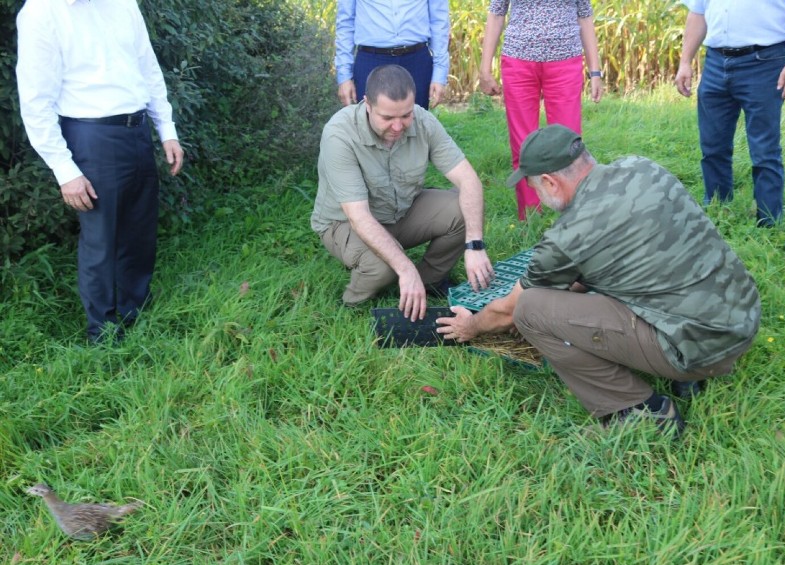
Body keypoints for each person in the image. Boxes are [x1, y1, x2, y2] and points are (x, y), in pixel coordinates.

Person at [437, 125, 761, 436]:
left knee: (530, 309)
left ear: (550, 182)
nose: (536, 194)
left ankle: (639, 412)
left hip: (699, 349)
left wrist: (472, 326)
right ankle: (689, 376)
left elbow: (510, 310)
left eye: (533, 186)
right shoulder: (642, 167)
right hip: (742, 318)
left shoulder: (570, 234)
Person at [16, 0, 185, 343]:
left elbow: (147, 67)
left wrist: (166, 129)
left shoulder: (123, 2)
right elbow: (35, 101)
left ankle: (134, 313)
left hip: (137, 130)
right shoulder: (41, 12)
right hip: (90, 137)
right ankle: (104, 334)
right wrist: (65, 170)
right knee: (102, 240)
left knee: (139, 232)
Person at [311, 65, 494, 321]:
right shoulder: (339, 135)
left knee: (463, 210)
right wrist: (404, 267)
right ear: (367, 104)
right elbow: (359, 217)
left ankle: (428, 283)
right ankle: (353, 307)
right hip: (344, 223)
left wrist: (475, 245)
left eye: (405, 115)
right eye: (387, 118)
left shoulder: (423, 120)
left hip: (401, 212)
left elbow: (469, 181)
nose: (398, 126)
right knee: (384, 268)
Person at [675, 0, 785, 227]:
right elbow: (697, 13)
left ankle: (769, 222)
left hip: (765, 61)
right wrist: (685, 62)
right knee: (712, 146)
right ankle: (717, 212)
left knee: (764, 149)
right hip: (715, 61)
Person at [479, 0, 602, 221]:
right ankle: (530, 218)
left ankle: (573, 217)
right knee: (523, 144)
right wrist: (484, 68)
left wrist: (595, 72)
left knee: (569, 146)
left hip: (565, 63)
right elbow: (497, 12)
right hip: (519, 62)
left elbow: (584, 14)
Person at [335, 0, 449, 110]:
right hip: (370, 60)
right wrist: (344, 77)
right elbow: (345, 24)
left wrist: (439, 74)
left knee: (416, 124)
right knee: (368, 125)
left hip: (416, 61)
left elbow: (439, 22)